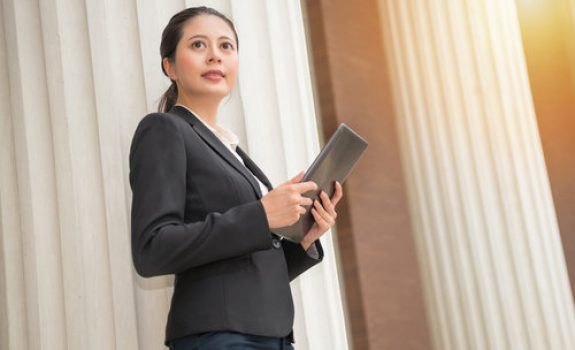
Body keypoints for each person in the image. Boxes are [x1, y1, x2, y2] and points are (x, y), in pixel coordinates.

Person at [129, 6, 343, 350]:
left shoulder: (232, 150)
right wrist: (261, 215)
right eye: (198, 45)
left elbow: (242, 268)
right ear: (169, 66)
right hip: (220, 338)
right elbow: (152, 249)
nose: (215, 55)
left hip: (274, 337)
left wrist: (303, 240)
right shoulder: (164, 129)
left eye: (226, 46)